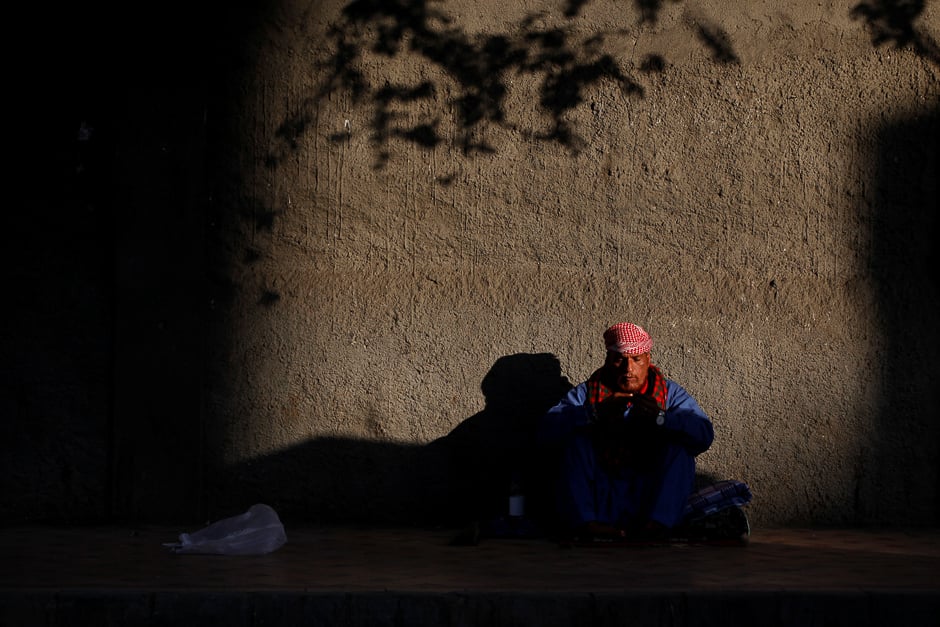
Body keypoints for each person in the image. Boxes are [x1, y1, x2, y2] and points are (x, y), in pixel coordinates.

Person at [537, 322, 715, 540]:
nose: (628, 369)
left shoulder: (670, 394)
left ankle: (656, 526)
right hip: (603, 495)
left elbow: (704, 436)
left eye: (636, 360)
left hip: (649, 494)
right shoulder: (586, 394)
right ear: (608, 361)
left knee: (679, 450)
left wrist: (662, 418)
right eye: (620, 359)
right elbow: (546, 432)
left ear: (648, 360)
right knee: (576, 444)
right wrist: (594, 413)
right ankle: (588, 525)